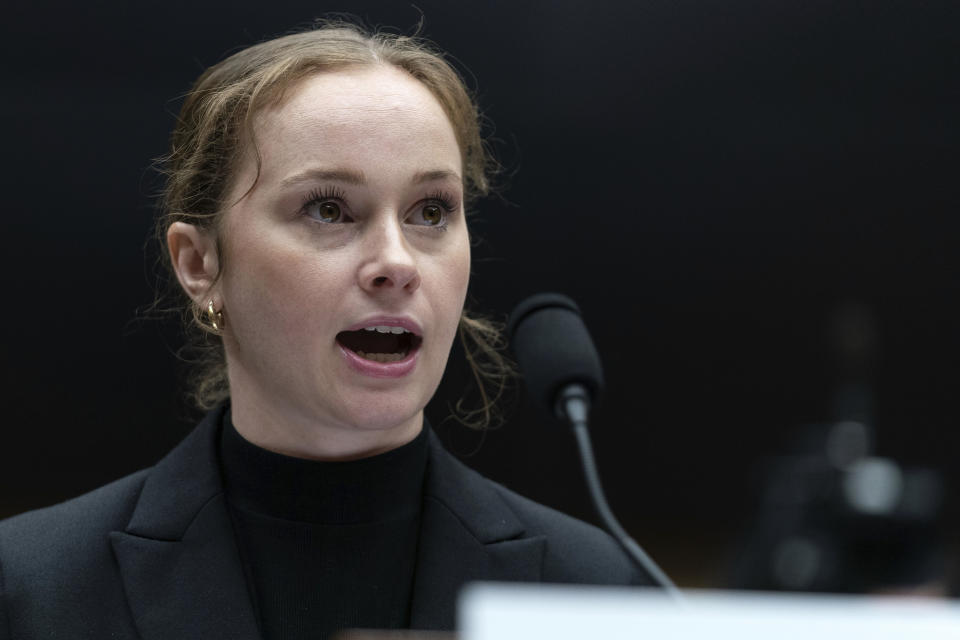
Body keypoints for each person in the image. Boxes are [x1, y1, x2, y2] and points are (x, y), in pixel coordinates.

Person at [0, 21, 646, 640]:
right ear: (200, 264)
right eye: (329, 209)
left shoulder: (598, 593)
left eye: (431, 211)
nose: (396, 262)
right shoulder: (28, 589)